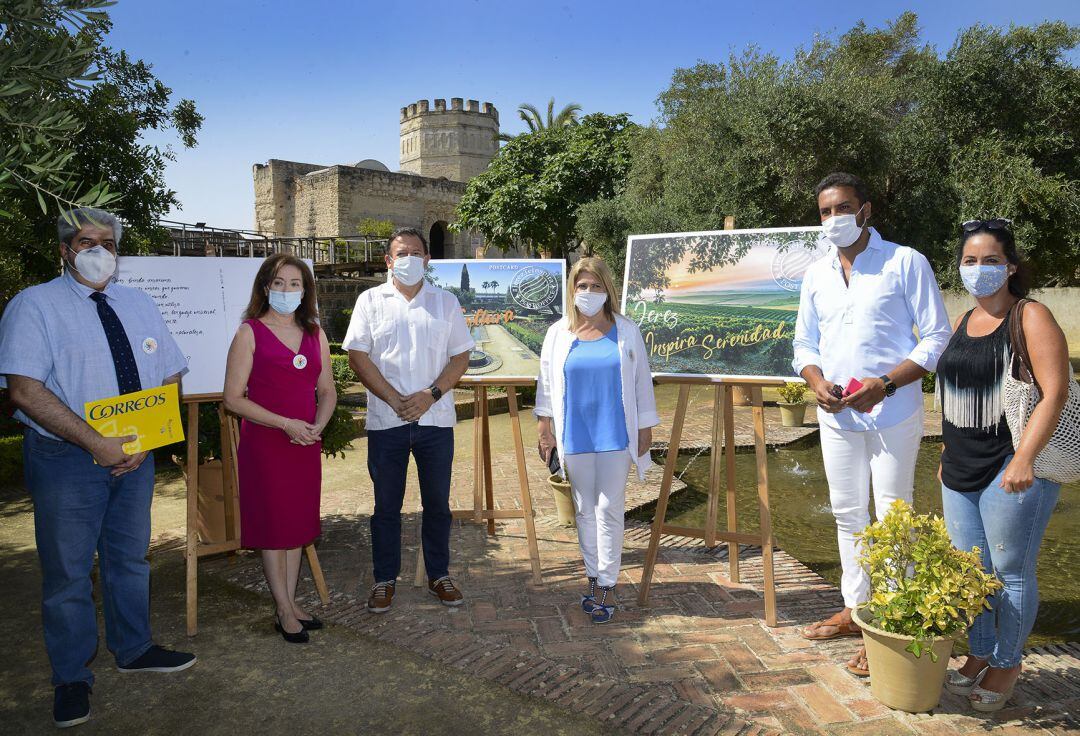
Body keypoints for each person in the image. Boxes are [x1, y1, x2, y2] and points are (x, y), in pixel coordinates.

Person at [0, 208, 196, 728]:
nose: (99, 251)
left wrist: (147, 440)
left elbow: (169, 371)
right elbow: (24, 391)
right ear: (64, 250)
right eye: (87, 241)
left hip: (136, 458)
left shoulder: (138, 302)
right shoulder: (34, 306)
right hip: (67, 460)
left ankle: (134, 649)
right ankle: (70, 677)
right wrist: (97, 442)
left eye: (109, 243)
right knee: (67, 573)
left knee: (130, 559)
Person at [792, 173, 952, 675]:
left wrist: (886, 382)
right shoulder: (816, 273)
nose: (833, 218)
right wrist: (816, 382)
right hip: (837, 416)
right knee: (846, 514)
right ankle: (856, 608)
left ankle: (892, 618)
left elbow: (936, 336)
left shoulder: (905, 262)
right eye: (824, 211)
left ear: (865, 210)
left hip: (893, 411)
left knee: (893, 514)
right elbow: (804, 344)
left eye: (842, 208)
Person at [936, 219, 1069, 711]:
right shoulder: (961, 320)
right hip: (960, 469)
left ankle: (1008, 661)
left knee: (1010, 571)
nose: (979, 270)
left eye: (990, 260)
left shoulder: (1030, 315)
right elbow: (951, 393)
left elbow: (1053, 394)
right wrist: (947, 454)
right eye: (969, 262)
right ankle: (979, 653)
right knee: (973, 571)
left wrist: (1026, 458)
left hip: (1010, 469)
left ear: (1010, 266)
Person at [343, 227, 474, 613]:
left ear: (427, 260)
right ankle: (384, 580)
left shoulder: (445, 302)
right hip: (387, 421)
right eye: (401, 254)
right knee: (386, 506)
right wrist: (394, 398)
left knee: (437, 504)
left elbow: (461, 357)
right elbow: (357, 356)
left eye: (416, 253)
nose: (409, 260)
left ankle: (439, 575)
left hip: (435, 420)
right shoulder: (370, 301)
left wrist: (429, 395)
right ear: (388, 260)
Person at [535, 257, 658, 624]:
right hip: (575, 435)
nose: (588, 293)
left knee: (609, 509)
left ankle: (607, 582)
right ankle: (592, 576)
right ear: (572, 290)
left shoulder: (626, 330)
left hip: (614, 434)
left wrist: (645, 427)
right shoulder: (558, 333)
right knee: (584, 510)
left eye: (595, 286)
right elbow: (545, 382)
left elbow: (640, 381)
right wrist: (545, 426)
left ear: (608, 290)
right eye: (582, 286)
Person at [223, 254, 336, 644]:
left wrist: (317, 427)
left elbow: (327, 392)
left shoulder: (315, 333)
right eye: (278, 283)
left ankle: (290, 602)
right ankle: (284, 609)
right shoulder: (249, 333)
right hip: (268, 444)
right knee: (275, 529)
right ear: (264, 287)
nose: (286, 290)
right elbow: (233, 399)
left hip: (304, 443)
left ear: (305, 290)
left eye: (294, 283)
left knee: (296, 527)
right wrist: (286, 424)